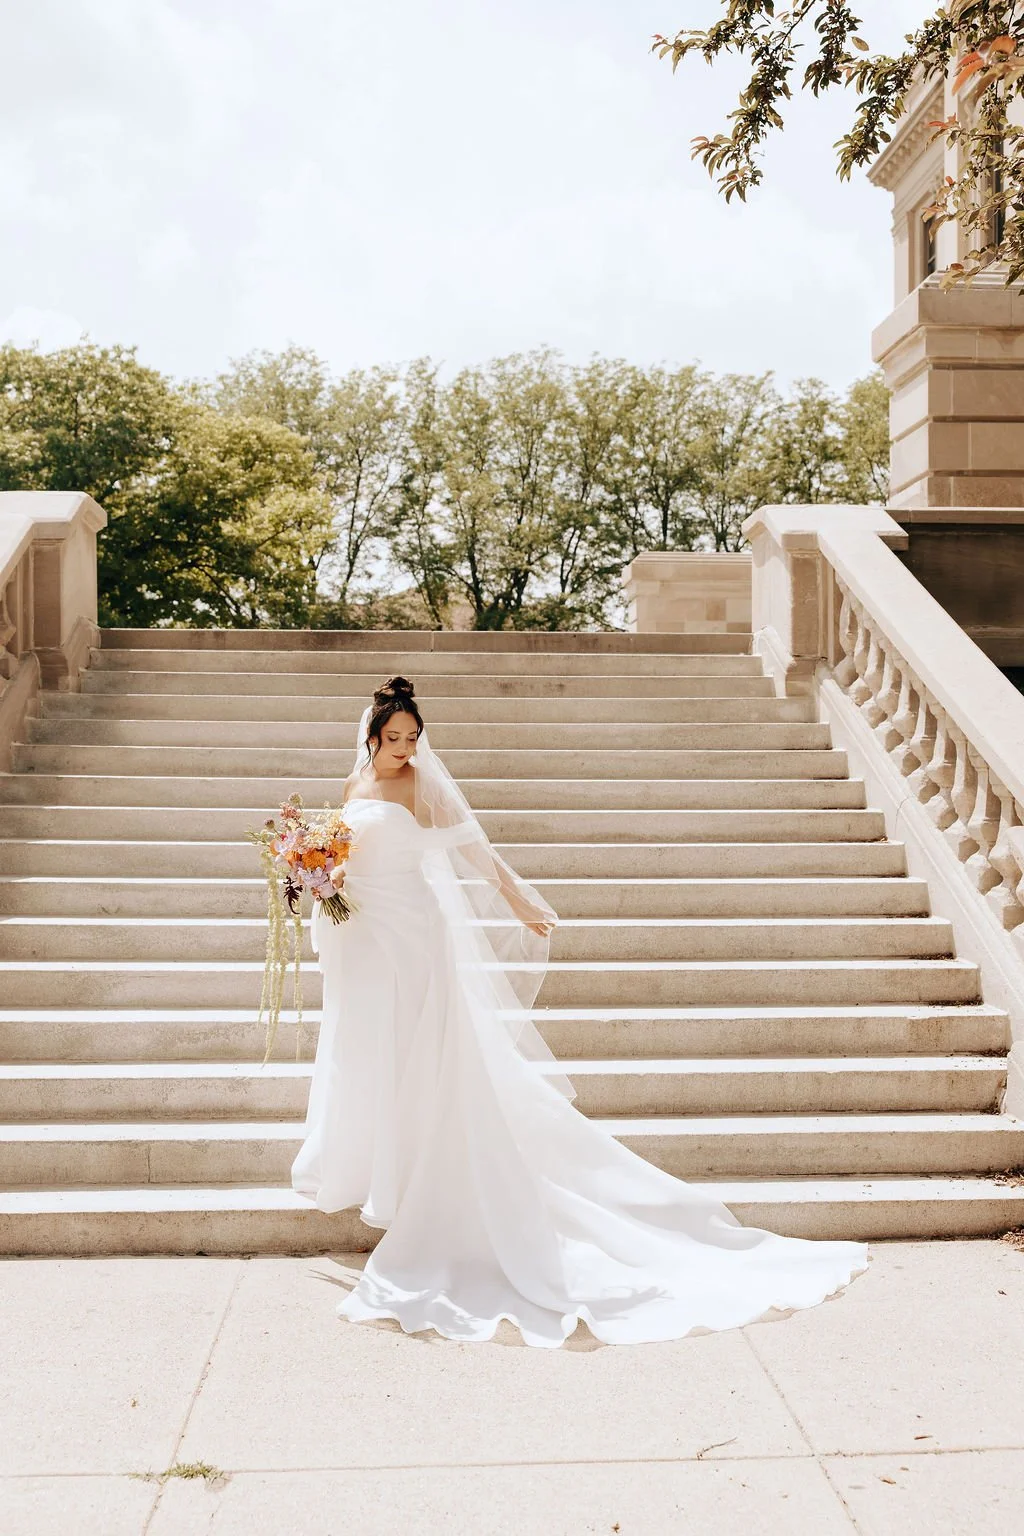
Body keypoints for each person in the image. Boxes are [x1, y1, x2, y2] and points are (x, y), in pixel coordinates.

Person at [290, 676, 870, 1347]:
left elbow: (473, 847)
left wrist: (518, 898)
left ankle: (431, 1196)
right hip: (365, 940)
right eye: (394, 740)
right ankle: (388, 1181)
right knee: (376, 1059)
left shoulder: (420, 785)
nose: (405, 750)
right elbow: (344, 855)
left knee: (423, 1059)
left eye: (413, 739)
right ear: (371, 736)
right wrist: (316, 875)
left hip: (415, 937)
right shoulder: (354, 787)